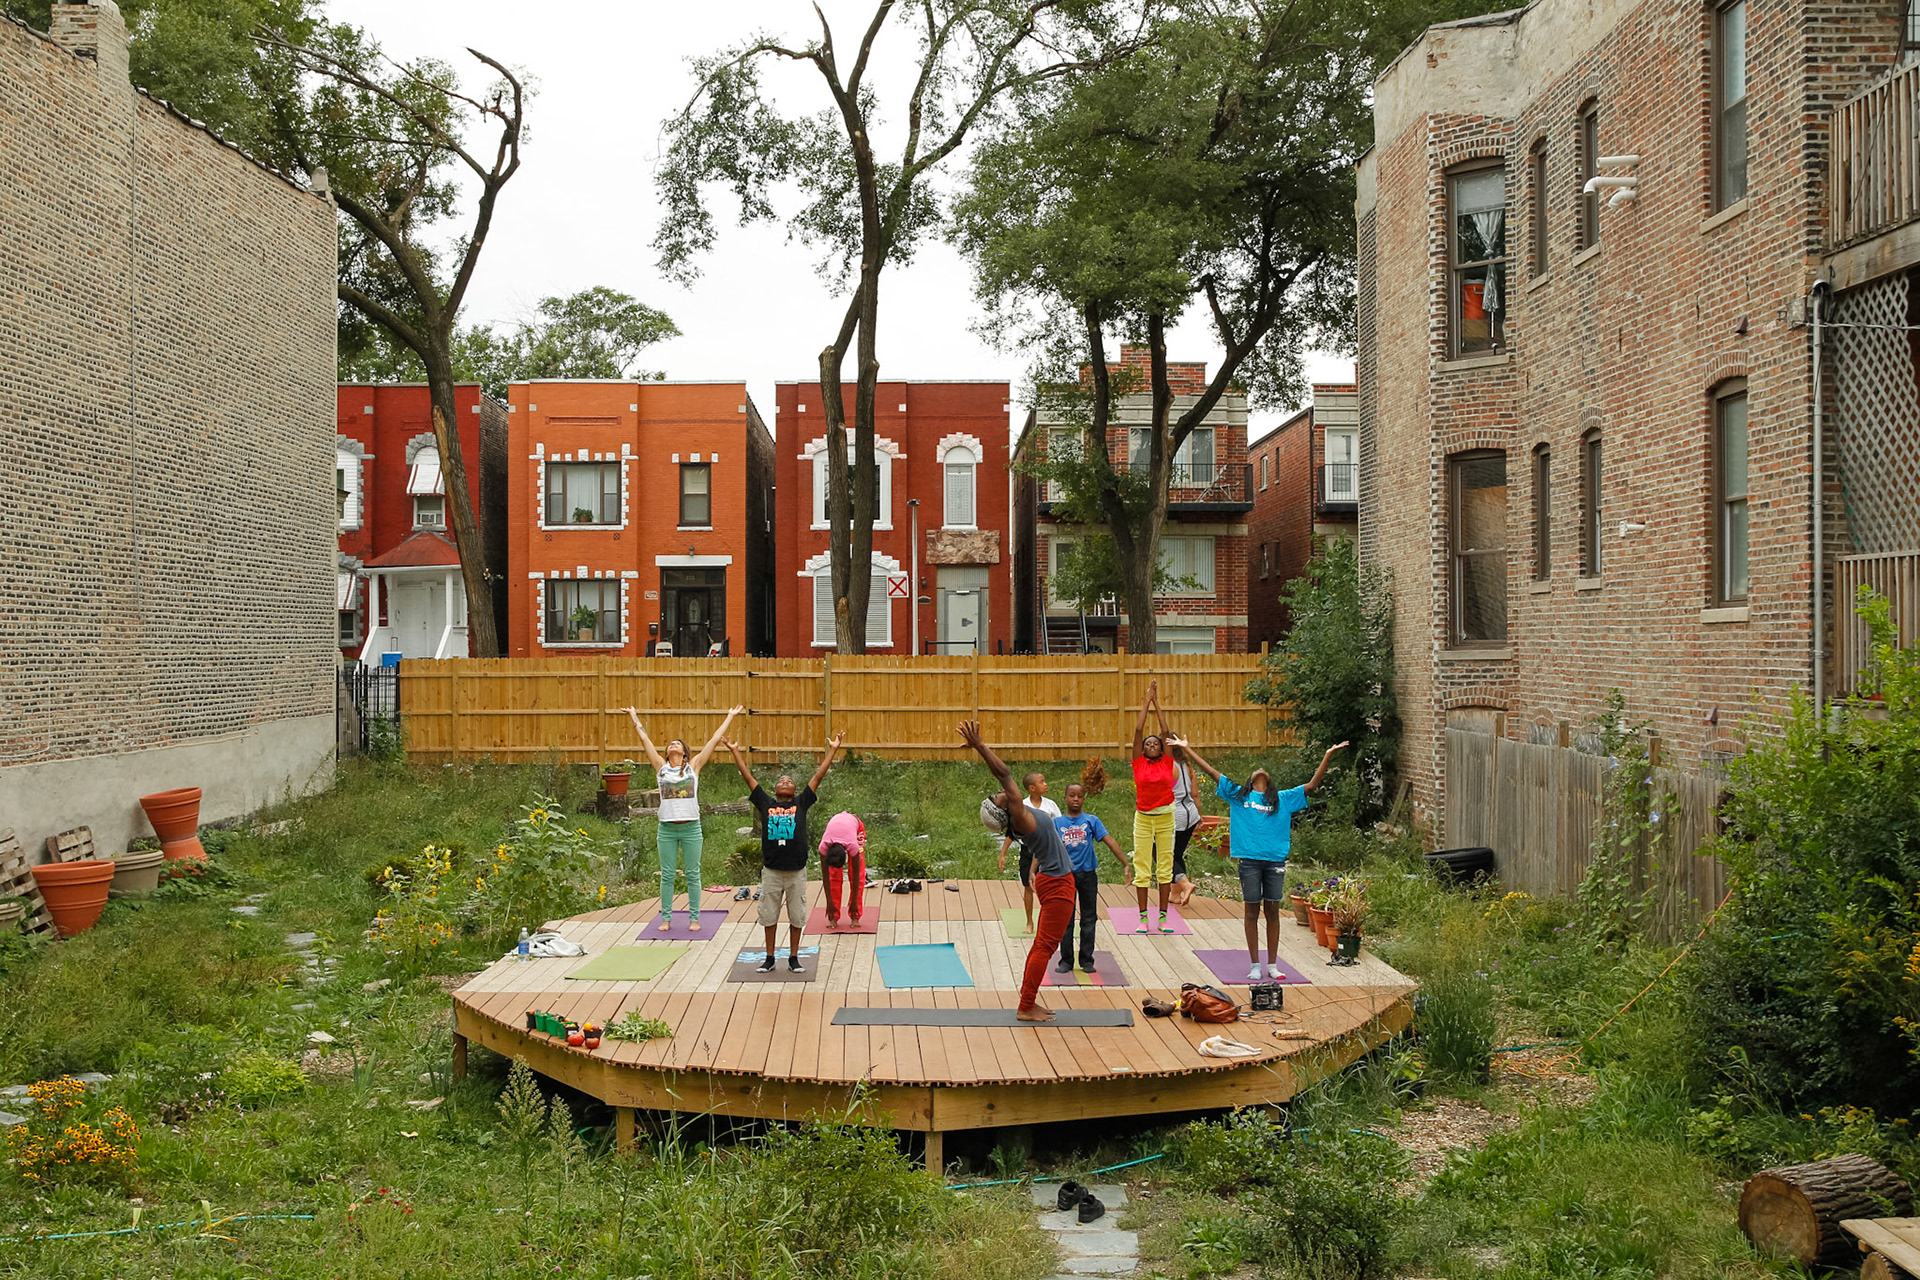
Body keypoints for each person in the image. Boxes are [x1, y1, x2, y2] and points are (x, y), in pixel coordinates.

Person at [1171, 735, 1347, 981]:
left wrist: (1327, 754)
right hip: (1250, 861)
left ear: (1269, 780)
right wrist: (1187, 749)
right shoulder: (1239, 796)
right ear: (1250, 780)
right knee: (1251, 911)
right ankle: (1255, 964)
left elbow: (1312, 785)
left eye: (1264, 769)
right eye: (1256, 770)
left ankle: (1272, 964)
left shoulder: (1283, 799)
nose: (1260, 769)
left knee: (1272, 910)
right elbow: (1212, 772)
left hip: (1274, 861)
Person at [958, 720, 1075, 1022]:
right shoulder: (1020, 817)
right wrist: (980, 746)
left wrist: (1034, 871)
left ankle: (1028, 1002)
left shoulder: (1022, 818)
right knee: (1045, 946)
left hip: (1054, 878)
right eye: (997, 798)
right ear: (1003, 810)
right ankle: (1026, 1005)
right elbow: (1005, 773)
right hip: (1058, 884)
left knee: (1043, 945)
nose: (1000, 792)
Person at [721, 732, 844, 972]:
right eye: (781, 781)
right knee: (769, 916)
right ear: (775, 790)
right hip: (772, 871)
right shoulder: (767, 803)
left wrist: (833, 750)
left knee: (797, 916)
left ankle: (794, 957)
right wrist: (735, 750)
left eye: (789, 781)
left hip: (796, 871)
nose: (785, 782)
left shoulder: (801, 802)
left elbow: (819, 775)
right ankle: (769, 957)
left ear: (796, 790)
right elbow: (748, 777)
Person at [624, 703, 744, 933]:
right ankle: (666, 919)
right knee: (667, 874)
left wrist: (730, 716)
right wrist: (633, 715)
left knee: (692, 873)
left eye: (677, 743)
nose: (673, 744)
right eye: (670, 744)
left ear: (685, 752)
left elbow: (714, 740)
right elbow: (645, 741)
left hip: (691, 828)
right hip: (667, 829)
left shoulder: (693, 767)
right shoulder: (661, 768)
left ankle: (694, 918)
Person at [1053, 783, 1130, 973]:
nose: (1076, 799)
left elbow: (1109, 841)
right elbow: (1045, 847)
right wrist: (1033, 870)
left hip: (1087, 876)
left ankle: (1087, 960)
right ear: (1065, 798)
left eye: (1079, 796)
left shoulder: (1091, 820)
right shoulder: (1057, 823)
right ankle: (1066, 961)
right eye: (1072, 795)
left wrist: (1125, 863)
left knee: (1088, 918)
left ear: (1084, 799)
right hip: (1066, 876)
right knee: (1065, 920)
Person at [1129, 679, 1179, 933]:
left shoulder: (1166, 763)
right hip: (1144, 817)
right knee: (1142, 866)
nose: (1151, 745)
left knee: (1165, 868)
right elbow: (1138, 731)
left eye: (1155, 744)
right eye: (1147, 744)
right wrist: (1146, 701)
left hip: (1165, 817)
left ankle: (1162, 917)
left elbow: (1165, 731)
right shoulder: (1138, 762)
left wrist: (1157, 703)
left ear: (1161, 749)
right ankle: (1142, 917)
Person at [996, 771, 1060, 933]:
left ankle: (1048, 922)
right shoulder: (1022, 806)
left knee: (1048, 887)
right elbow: (1012, 832)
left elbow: (1059, 828)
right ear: (1032, 788)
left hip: (1047, 851)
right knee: (1028, 887)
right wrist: (1003, 853)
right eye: (1042, 782)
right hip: (1028, 851)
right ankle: (1029, 922)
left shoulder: (1051, 806)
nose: (1046, 784)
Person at [1167, 733, 1204, 908]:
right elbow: (1195, 794)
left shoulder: (1168, 767)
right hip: (1190, 814)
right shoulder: (1187, 767)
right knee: (1177, 854)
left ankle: (1185, 884)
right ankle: (1175, 894)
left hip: (1175, 816)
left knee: (1162, 854)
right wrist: (1199, 816)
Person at [816, 809, 867, 928]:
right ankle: (833, 916)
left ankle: (855, 915)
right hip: (837, 826)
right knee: (833, 876)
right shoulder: (823, 847)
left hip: (856, 826)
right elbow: (826, 879)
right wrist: (829, 903)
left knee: (857, 874)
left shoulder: (853, 846)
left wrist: (854, 903)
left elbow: (857, 877)